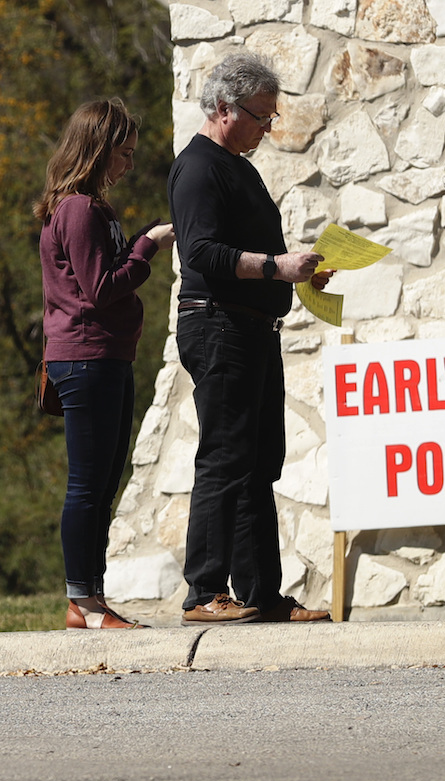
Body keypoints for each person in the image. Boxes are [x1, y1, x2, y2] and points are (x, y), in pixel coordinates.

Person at [170, 55, 332, 626]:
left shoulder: (239, 166)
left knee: (259, 460)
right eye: (260, 117)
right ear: (222, 109)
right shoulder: (198, 168)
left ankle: (261, 592)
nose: (268, 128)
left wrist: (298, 270)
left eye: (271, 117)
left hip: (254, 327)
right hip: (218, 324)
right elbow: (202, 254)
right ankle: (204, 591)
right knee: (225, 456)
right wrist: (274, 267)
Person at [36, 99, 174, 630]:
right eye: (123, 153)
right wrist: (146, 246)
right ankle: (82, 600)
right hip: (86, 359)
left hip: (106, 357)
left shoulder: (89, 208)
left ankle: (91, 597)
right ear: (97, 148)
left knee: (104, 481)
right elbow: (99, 290)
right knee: (88, 485)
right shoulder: (79, 209)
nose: (129, 164)